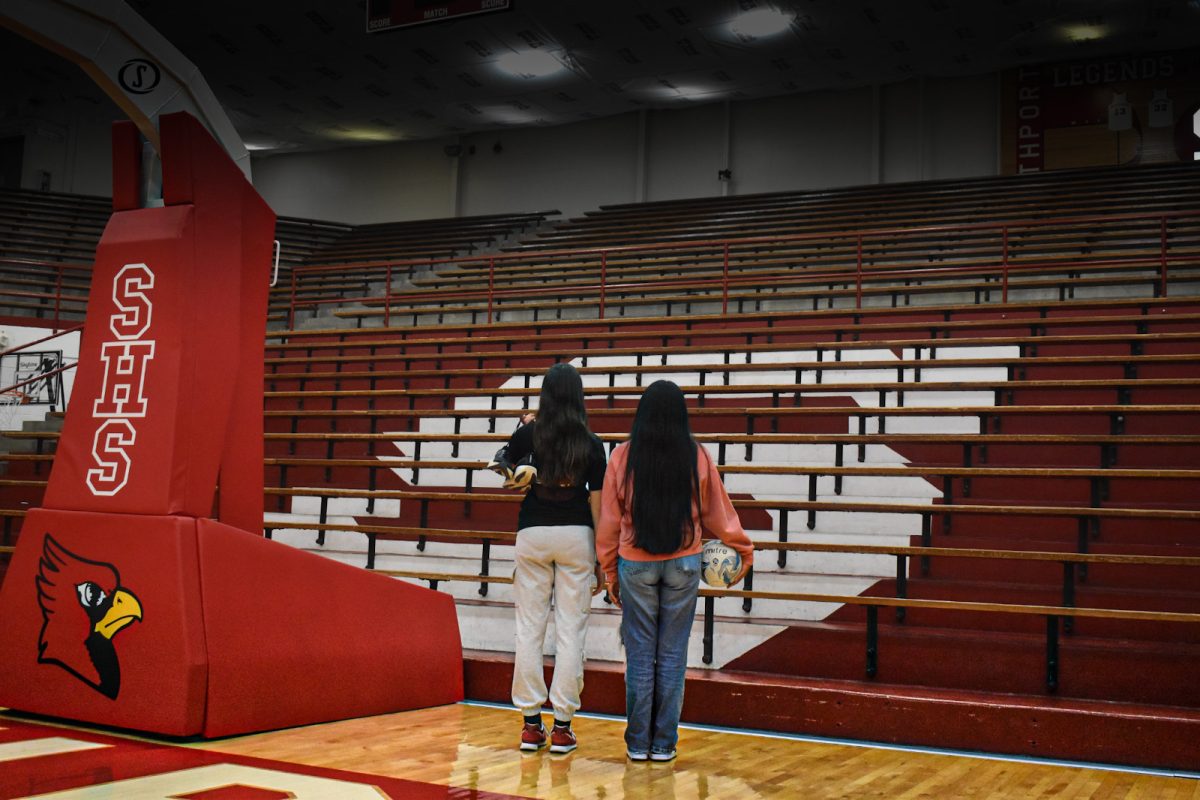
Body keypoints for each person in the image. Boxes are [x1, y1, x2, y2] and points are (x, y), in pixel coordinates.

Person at [596, 380, 753, 763]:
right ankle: (664, 744)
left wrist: (610, 572)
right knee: (671, 656)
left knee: (639, 656)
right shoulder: (696, 456)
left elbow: (609, 523)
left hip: (635, 564)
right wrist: (743, 551)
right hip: (685, 562)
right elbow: (719, 511)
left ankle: (637, 744)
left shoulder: (621, 456)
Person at [501, 362, 606, 754]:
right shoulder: (592, 444)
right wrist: (600, 557)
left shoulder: (529, 433)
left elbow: (505, 472)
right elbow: (598, 505)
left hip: (533, 532)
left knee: (529, 629)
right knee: (570, 631)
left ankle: (531, 726)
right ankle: (562, 728)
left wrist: (523, 433)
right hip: (577, 534)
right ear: (578, 397)